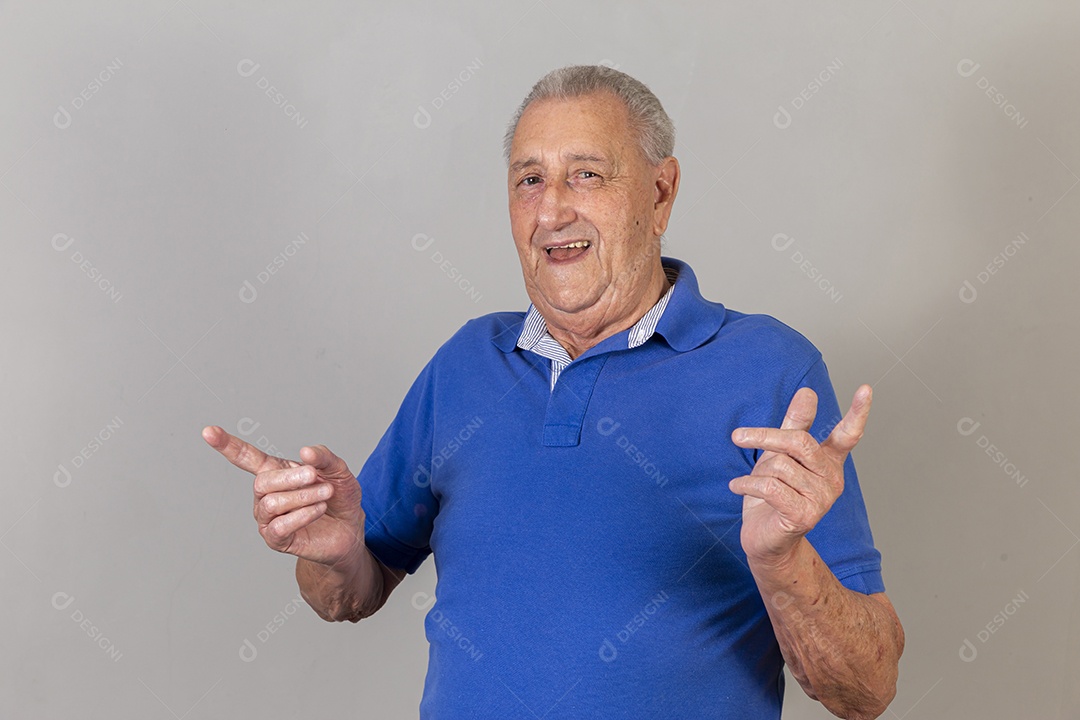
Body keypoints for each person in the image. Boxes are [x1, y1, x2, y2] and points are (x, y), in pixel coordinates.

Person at [203, 65, 904, 719]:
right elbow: (350, 593)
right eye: (529, 180)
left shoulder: (768, 369)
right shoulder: (466, 364)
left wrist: (783, 564)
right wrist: (331, 554)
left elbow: (865, 690)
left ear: (660, 193)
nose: (552, 210)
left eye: (587, 175)